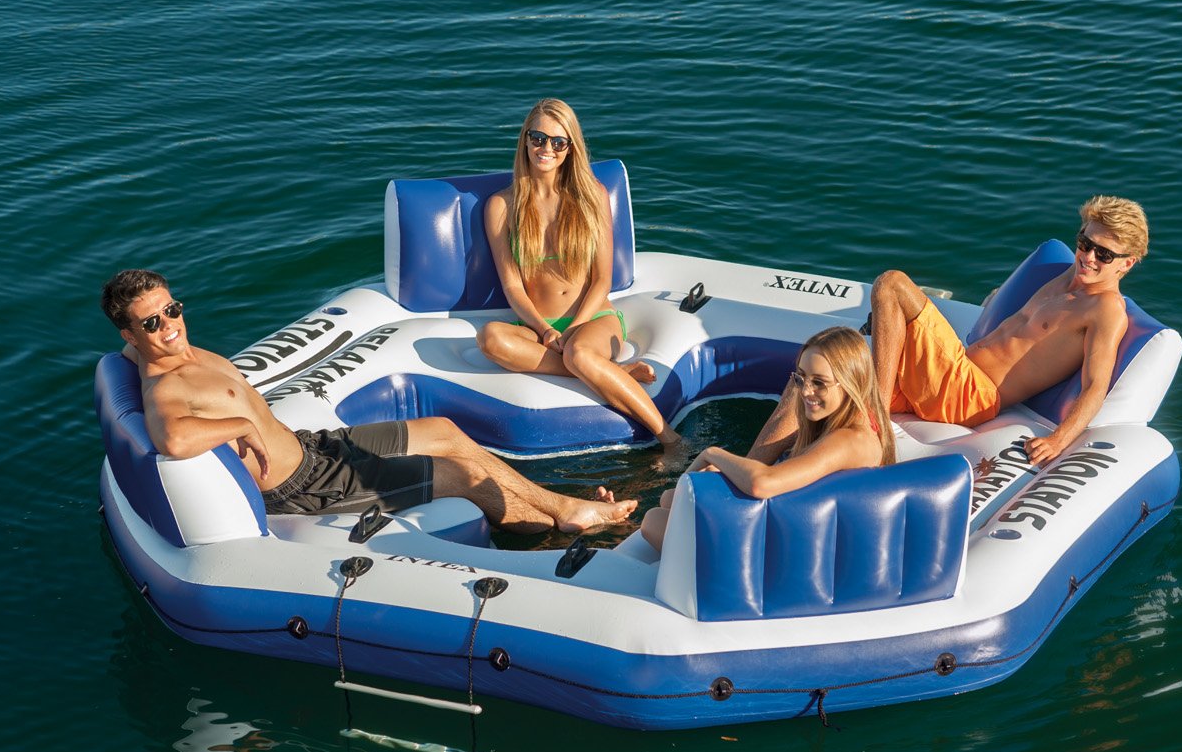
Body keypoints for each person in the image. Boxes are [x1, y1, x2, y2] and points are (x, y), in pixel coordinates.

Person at [100, 268, 636, 533]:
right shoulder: (165, 385)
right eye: (151, 323)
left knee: (445, 431)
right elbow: (172, 437)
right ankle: (562, 518)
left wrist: (135, 348)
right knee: (460, 475)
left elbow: (135, 354)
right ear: (130, 334)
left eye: (172, 309)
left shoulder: (176, 351)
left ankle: (559, 507)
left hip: (315, 446)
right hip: (303, 486)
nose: (169, 326)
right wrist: (241, 426)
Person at [750, 195, 1148, 469]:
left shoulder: (1105, 309)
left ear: (1127, 263)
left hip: (971, 394)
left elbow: (1096, 385)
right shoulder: (1067, 277)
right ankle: (744, 472)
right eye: (1084, 242)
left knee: (891, 284)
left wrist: (1059, 440)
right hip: (948, 376)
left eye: (1103, 254)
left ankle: (875, 415)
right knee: (810, 384)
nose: (1088, 257)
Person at [477, 98, 682, 453]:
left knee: (580, 354)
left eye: (558, 142)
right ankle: (617, 373)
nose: (546, 149)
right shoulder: (501, 206)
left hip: (593, 319)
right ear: (525, 139)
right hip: (538, 327)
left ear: (571, 148)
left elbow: (602, 279)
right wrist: (544, 330)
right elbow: (512, 285)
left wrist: (573, 329)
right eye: (538, 138)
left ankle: (671, 439)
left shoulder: (592, 195)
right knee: (491, 339)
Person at [641, 326, 893, 551]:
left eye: (819, 382)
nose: (805, 391)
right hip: (797, 530)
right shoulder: (860, 422)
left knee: (654, 520)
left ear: (850, 383)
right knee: (670, 499)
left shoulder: (849, 440)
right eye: (801, 378)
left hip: (788, 550)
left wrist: (712, 453)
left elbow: (762, 483)